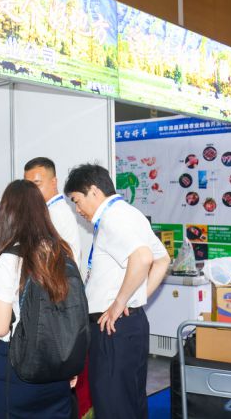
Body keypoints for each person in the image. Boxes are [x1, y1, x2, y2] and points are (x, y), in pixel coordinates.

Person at [63, 163, 169, 419]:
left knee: (113, 405)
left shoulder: (113, 218)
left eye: (77, 201)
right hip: (127, 325)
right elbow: (162, 259)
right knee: (129, 402)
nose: (78, 210)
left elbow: (143, 258)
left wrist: (121, 303)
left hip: (112, 329)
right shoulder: (129, 212)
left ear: (94, 191)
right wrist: (134, 300)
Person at [0, 179, 77, 418]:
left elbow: (1, 327)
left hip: (18, 367)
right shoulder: (60, 251)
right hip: (57, 363)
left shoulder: (10, 259)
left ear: (7, 215)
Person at [24, 157, 82, 265]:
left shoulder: (55, 213)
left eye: (37, 184)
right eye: (27, 185)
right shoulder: (51, 210)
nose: (30, 190)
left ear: (54, 182)